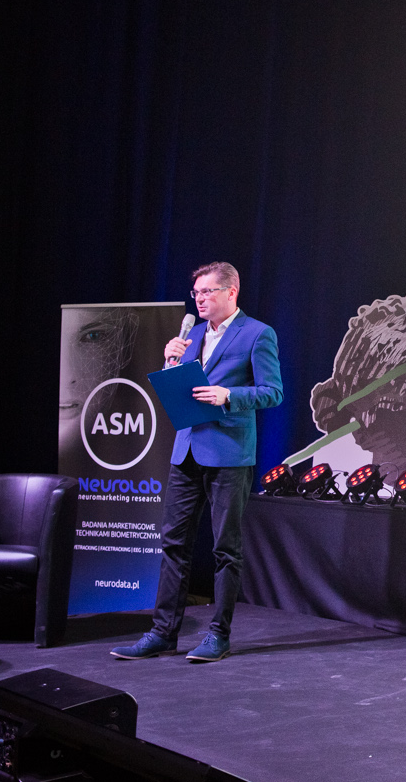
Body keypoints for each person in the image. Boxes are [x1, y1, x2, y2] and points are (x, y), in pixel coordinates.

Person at [112, 262, 283, 663]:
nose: (200, 300)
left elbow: (273, 392)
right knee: (173, 544)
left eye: (207, 292)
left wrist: (230, 395)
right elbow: (180, 391)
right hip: (187, 449)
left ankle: (218, 635)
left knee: (226, 548)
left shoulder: (257, 333)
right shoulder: (191, 336)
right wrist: (169, 364)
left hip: (229, 453)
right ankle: (162, 633)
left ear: (231, 292)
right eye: (197, 293)